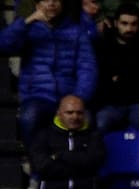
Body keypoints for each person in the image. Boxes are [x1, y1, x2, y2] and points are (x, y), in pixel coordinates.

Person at [0, 0, 98, 141]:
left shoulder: (76, 31)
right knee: (29, 117)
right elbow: (3, 45)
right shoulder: (28, 29)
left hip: (69, 95)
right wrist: (27, 21)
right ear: (37, 5)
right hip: (37, 95)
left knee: (87, 119)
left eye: (56, 0)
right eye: (46, 0)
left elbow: (87, 67)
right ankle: (34, 160)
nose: (51, 3)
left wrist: (78, 97)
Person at [29, 95, 107, 189]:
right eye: (69, 112)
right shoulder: (44, 135)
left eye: (79, 113)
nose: (75, 117)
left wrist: (59, 155)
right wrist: (79, 163)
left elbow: (94, 162)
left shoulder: (93, 136)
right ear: (59, 113)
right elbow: (41, 166)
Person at [92, 3, 139, 134]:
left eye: (133, 24)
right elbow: (102, 82)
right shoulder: (103, 46)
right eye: (124, 23)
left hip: (138, 104)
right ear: (116, 23)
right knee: (100, 124)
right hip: (111, 105)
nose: (129, 28)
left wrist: (119, 79)